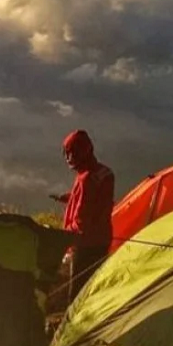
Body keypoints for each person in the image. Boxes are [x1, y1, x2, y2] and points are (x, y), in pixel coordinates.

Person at [49, 129, 115, 304]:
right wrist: (69, 197)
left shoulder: (85, 179)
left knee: (77, 294)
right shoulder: (105, 173)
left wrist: (62, 235)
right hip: (103, 239)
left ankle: (74, 320)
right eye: (66, 153)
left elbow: (82, 221)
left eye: (70, 153)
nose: (68, 158)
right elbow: (95, 201)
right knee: (92, 287)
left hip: (85, 244)